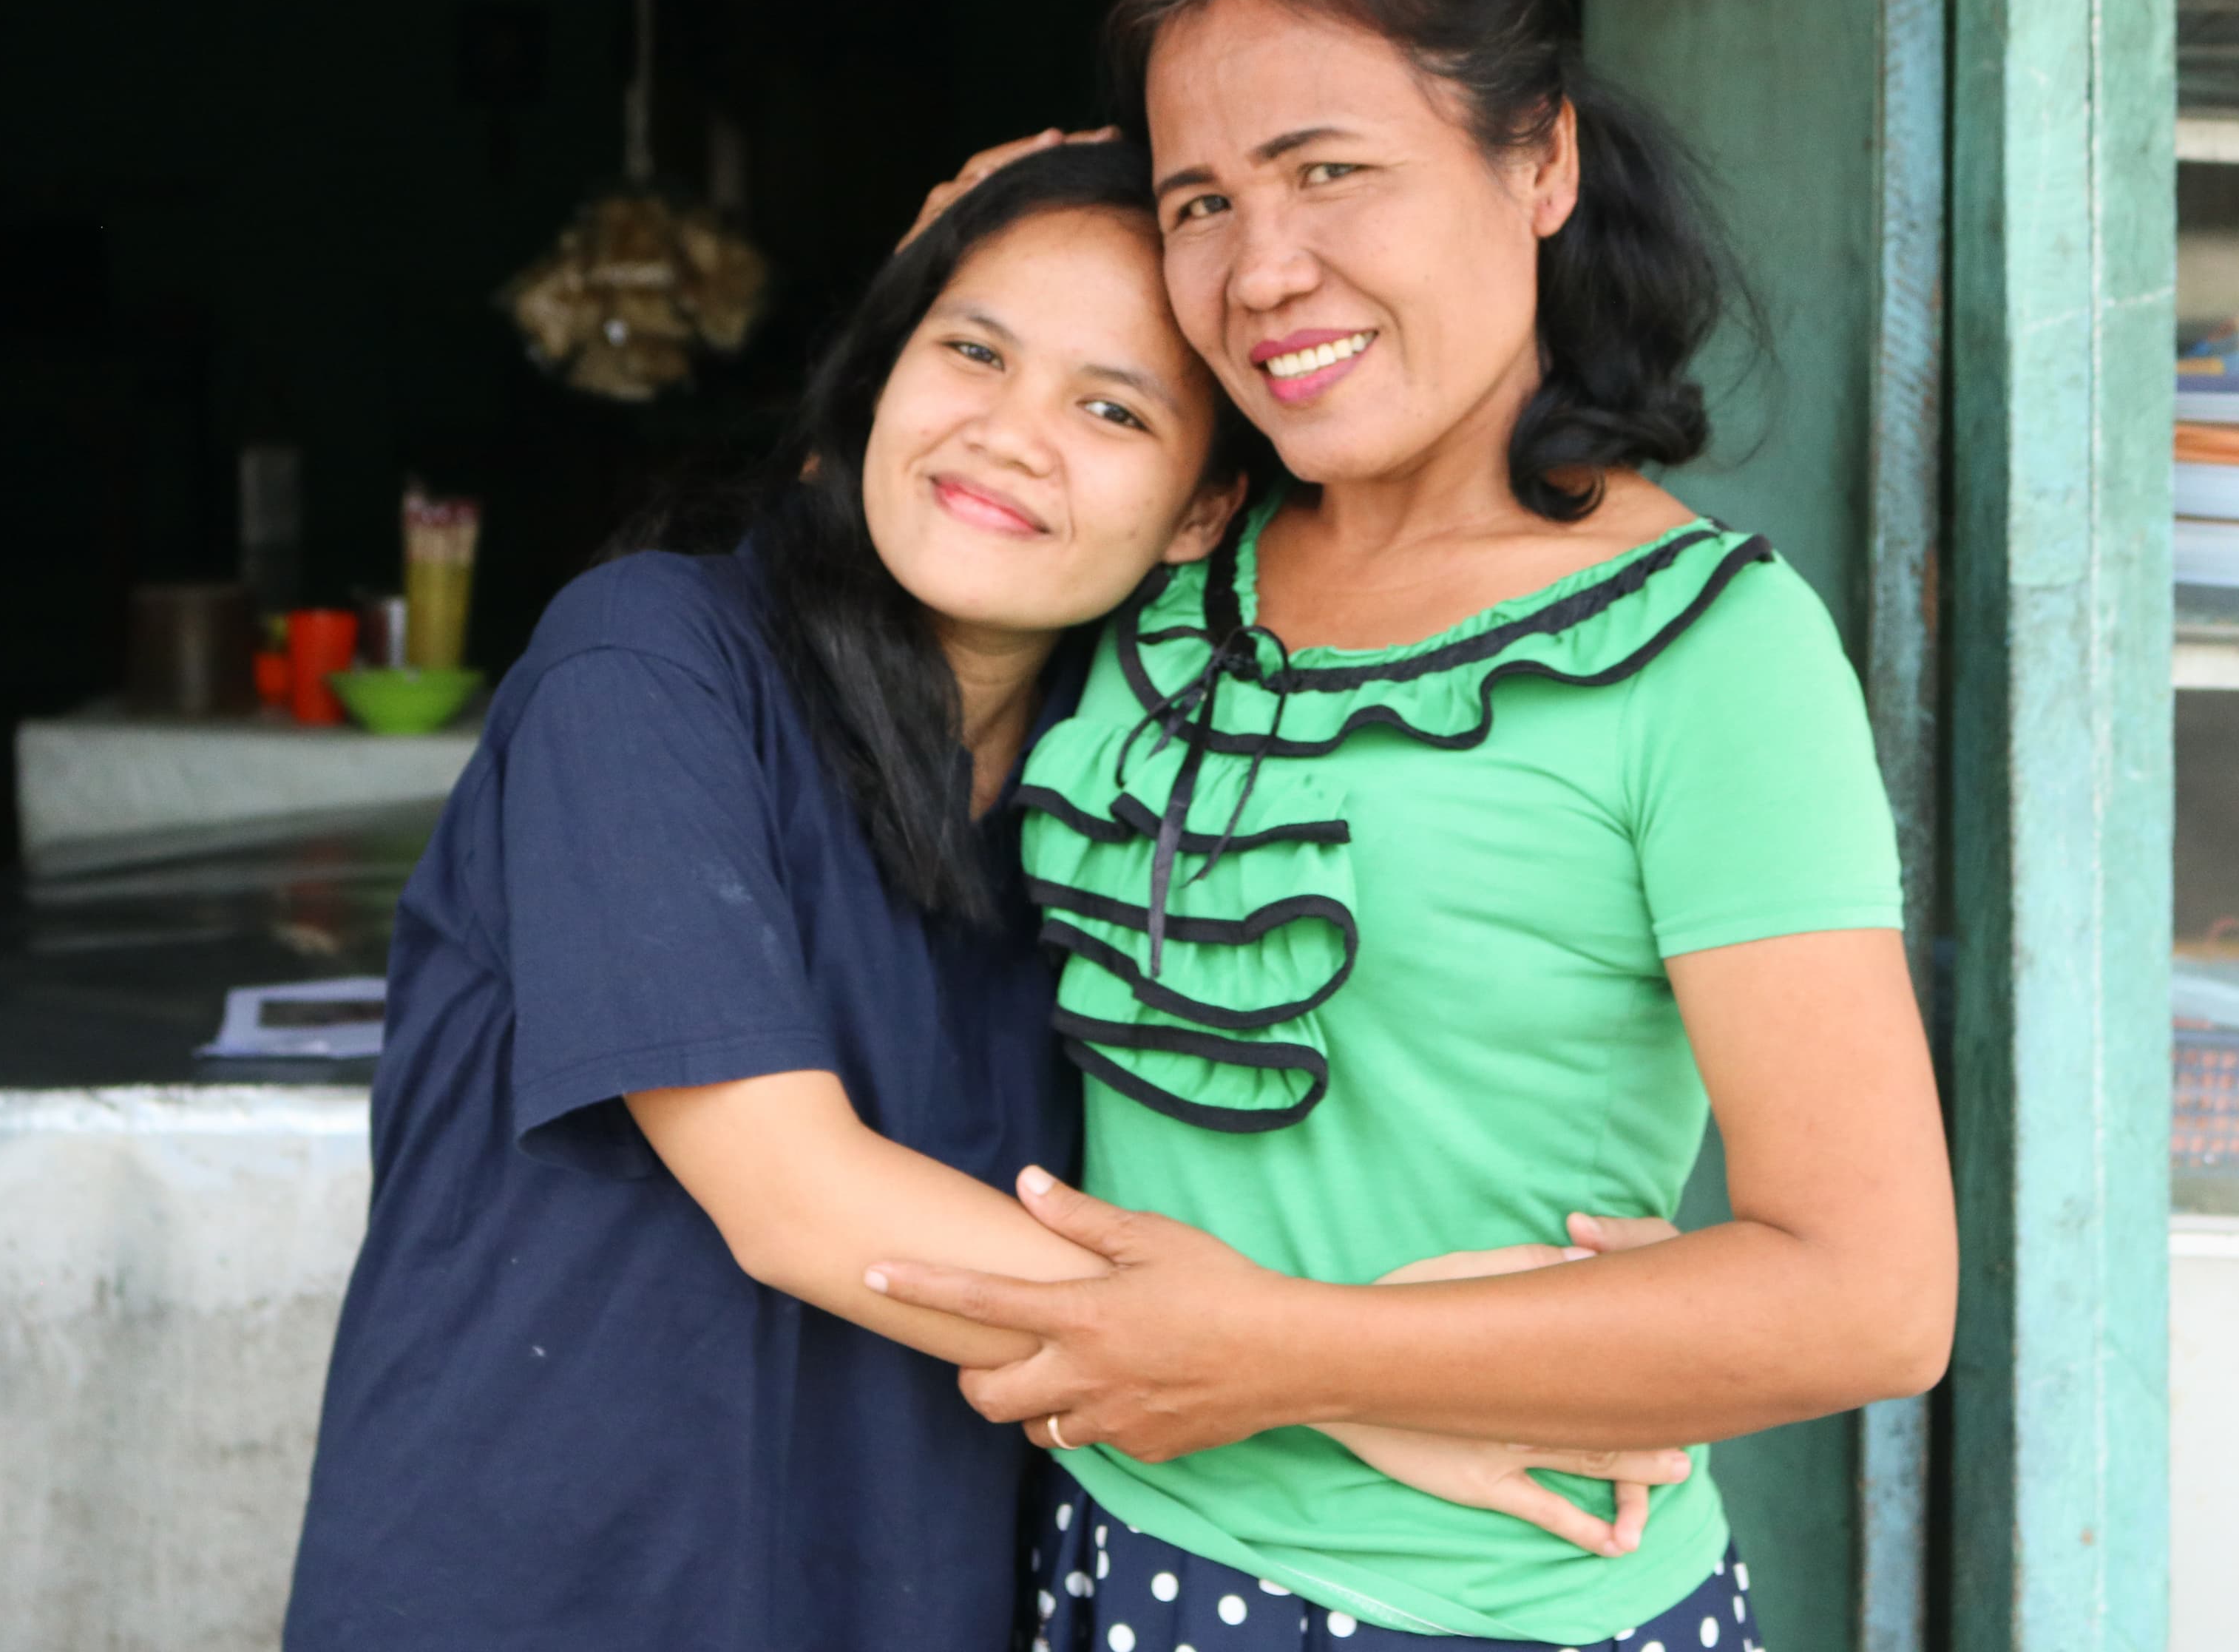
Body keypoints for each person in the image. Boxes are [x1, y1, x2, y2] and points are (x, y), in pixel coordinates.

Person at [281, 141, 1680, 1652]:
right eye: (970, 349)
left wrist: (1548, 1317)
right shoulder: (648, 669)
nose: (1008, 434)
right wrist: (1358, 1377)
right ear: (885, 376)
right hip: (548, 1596)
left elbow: (1290, 1154)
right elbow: (797, 1200)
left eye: (1111, 405)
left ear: (1206, 506)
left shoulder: (1121, 811)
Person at [867, 0, 1960, 1651]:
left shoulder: (1713, 656)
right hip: (1093, 1546)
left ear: (1540, 159)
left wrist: (1291, 1353)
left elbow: (1869, 1295)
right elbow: (914, 464)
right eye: (1199, 200)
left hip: (1488, 1612)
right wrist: (993, 218)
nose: (1264, 268)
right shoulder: (1174, 543)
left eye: (1330, 170)